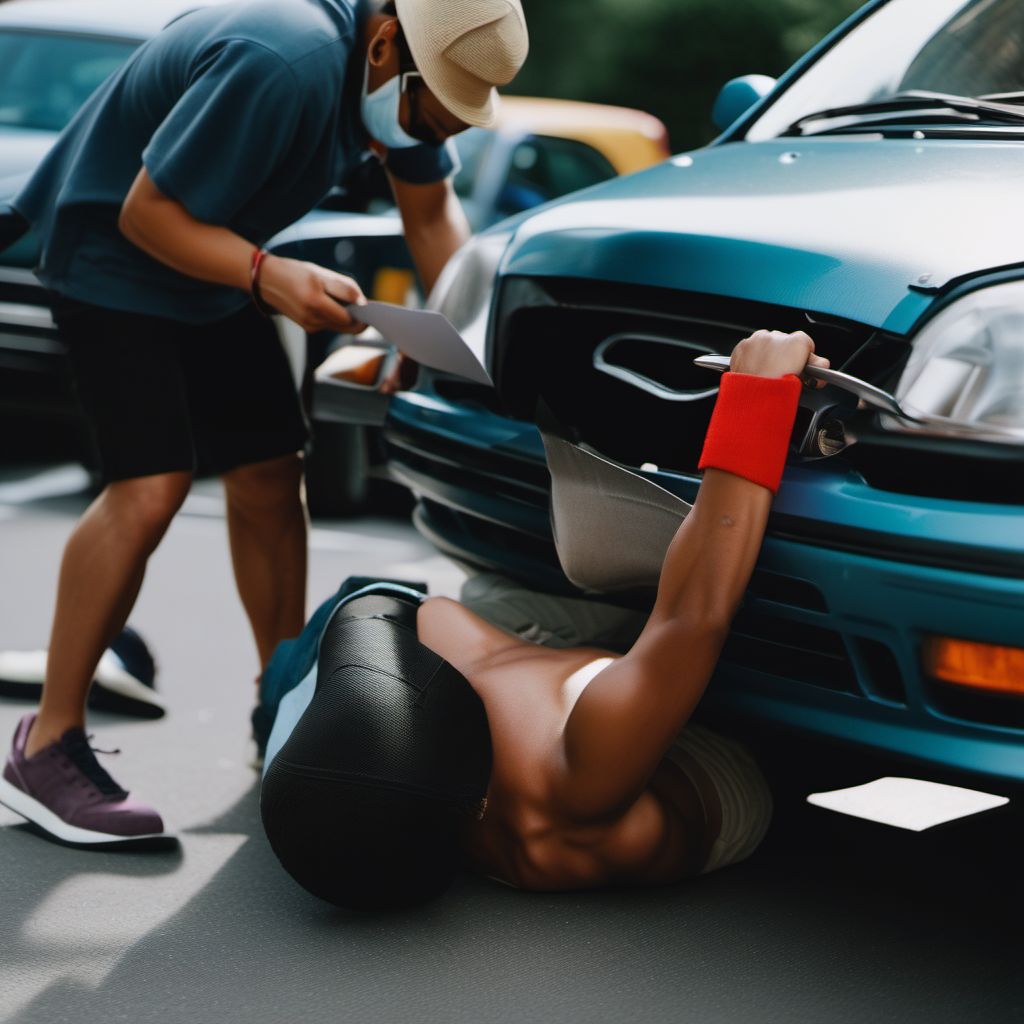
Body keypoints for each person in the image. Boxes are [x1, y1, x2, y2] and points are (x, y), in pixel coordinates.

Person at [0, 0, 529, 845]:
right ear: (388, 41)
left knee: (274, 471)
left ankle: (277, 704)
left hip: (213, 264)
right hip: (110, 252)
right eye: (432, 111)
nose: (426, 132)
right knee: (152, 484)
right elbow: (146, 213)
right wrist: (268, 274)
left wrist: (443, 338)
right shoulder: (282, 58)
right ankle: (47, 746)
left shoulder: (403, 71)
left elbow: (431, 217)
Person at [257, 329, 831, 909]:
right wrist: (758, 391)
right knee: (697, 653)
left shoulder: (395, 822)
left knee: (385, 609)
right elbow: (695, 615)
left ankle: (279, 701)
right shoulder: (577, 781)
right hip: (704, 761)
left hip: (542, 700)